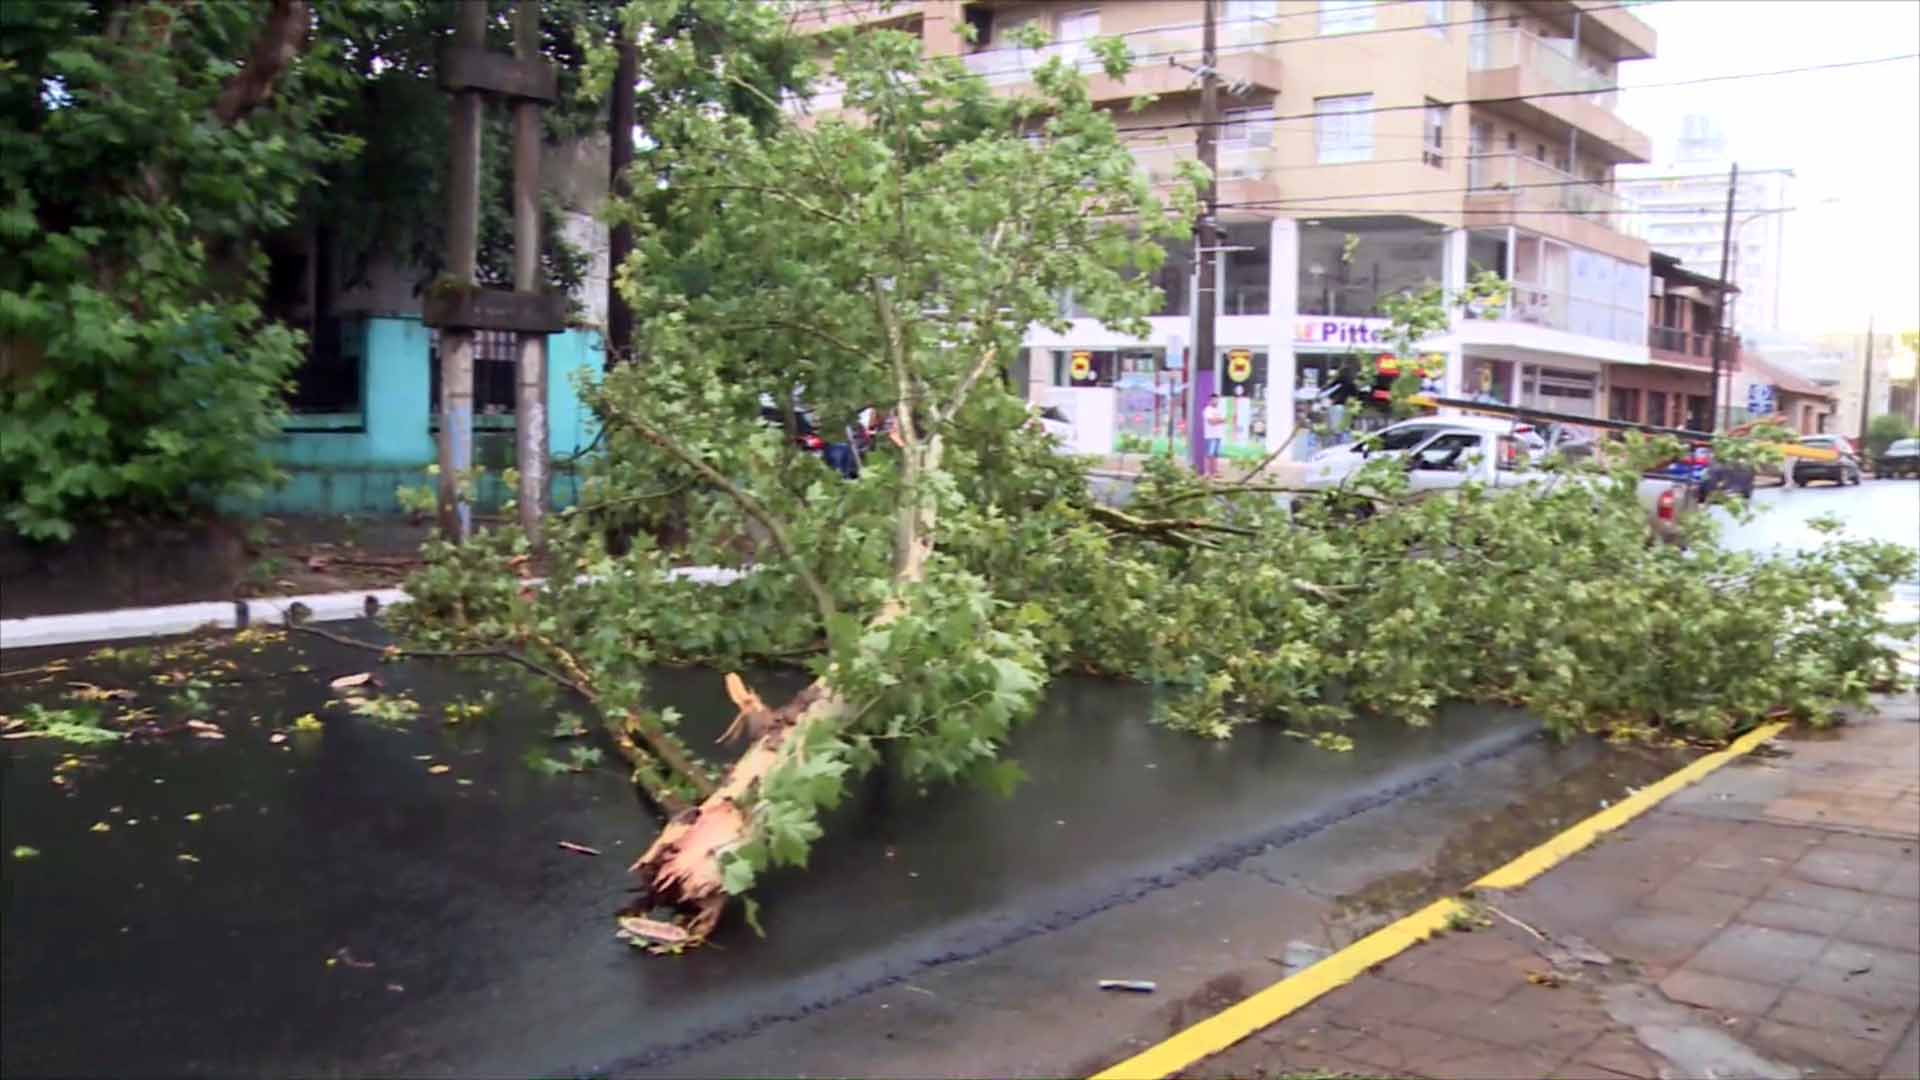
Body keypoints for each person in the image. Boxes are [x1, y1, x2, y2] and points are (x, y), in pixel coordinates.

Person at [1202, 396, 1227, 476]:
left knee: (1216, 454)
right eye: (1213, 400)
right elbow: (1211, 422)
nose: (1215, 401)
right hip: (1210, 436)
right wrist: (1219, 420)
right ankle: (1207, 472)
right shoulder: (1207, 410)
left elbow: (1224, 420)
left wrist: (1218, 420)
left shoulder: (1219, 410)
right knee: (1209, 454)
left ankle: (1215, 471)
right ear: (1210, 400)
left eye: (1216, 400)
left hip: (1218, 435)